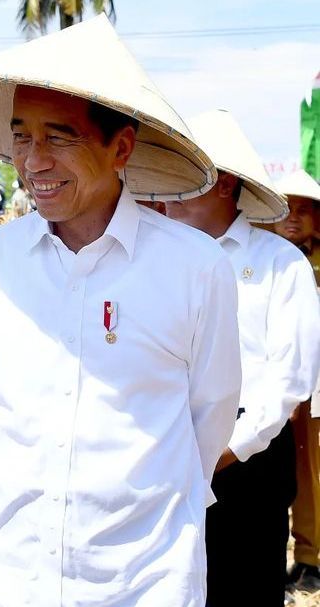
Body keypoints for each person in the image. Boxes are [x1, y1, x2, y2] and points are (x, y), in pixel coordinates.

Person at [0, 16, 242, 605]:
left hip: (144, 581)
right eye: (21, 136)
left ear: (120, 147)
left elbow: (211, 414)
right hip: (14, 579)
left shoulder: (196, 269)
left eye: (58, 137)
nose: (33, 162)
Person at [163, 110, 320, 605]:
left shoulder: (280, 265)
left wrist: (227, 450)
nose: (168, 192)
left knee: (243, 584)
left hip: (248, 463)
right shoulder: (155, 262)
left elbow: (289, 378)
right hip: (165, 452)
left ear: (224, 183)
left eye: (185, 179)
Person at [272, 169, 320, 590]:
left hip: (317, 384)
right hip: (280, 387)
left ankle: (311, 556)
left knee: (314, 470)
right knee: (294, 471)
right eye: (287, 209)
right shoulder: (266, 262)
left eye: (304, 210)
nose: (293, 219)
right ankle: (304, 553)